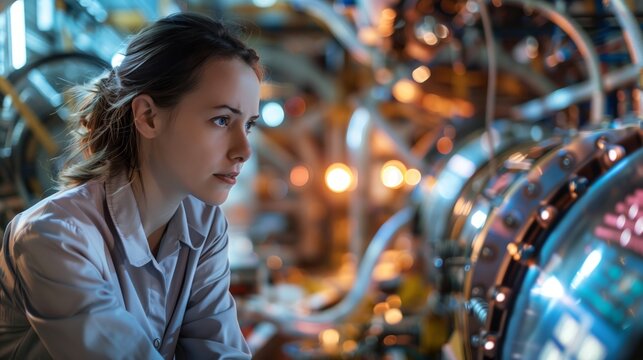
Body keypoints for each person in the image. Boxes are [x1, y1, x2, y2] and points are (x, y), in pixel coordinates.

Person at [0, 12, 261, 359]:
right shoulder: (54, 237)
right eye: (221, 119)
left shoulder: (205, 225)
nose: (244, 150)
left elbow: (220, 352)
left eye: (249, 126)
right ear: (148, 117)